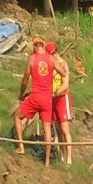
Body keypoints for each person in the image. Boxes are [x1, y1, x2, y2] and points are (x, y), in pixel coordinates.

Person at [13, 37, 66, 167]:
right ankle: (47, 162)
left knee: (17, 117)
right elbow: (63, 73)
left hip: (35, 97)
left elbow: (25, 80)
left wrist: (21, 93)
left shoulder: (32, 59)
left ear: (34, 47)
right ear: (43, 45)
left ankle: (21, 147)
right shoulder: (51, 58)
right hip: (47, 99)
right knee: (47, 129)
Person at [45, 41, 73, 165]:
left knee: (65, 128)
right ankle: (62, 155)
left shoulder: (63, 64)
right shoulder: (50, 65)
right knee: (57, 129)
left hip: (62, 98)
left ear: (55, 52)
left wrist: (55, 93)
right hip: (53, 99)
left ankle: (69, 158)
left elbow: (65, 84)